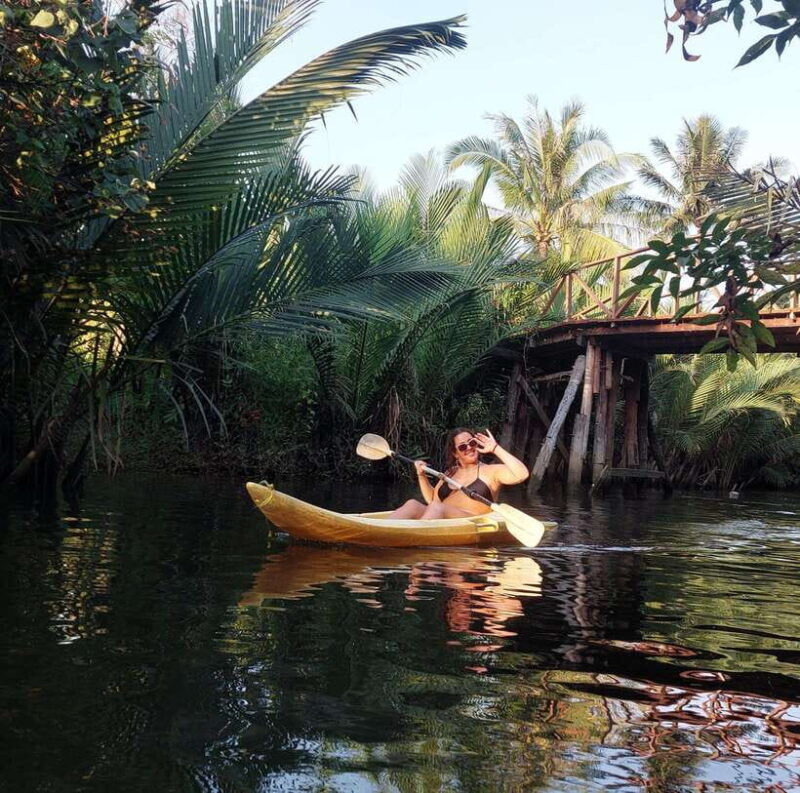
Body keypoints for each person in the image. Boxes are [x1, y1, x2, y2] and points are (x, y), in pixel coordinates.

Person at [389, 428, 529, 519]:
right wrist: (421, 475)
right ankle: (385, 530)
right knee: (413, 504)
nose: (469, 448)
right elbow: (433, 501)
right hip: (440, 517)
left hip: (470, 521)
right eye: (462, 447)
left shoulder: (490, 471)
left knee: (438, 508)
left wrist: (495, 448)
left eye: (472, 443)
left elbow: (522, 474)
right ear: (455, 454)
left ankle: (415, 534)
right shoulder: (450, 473)